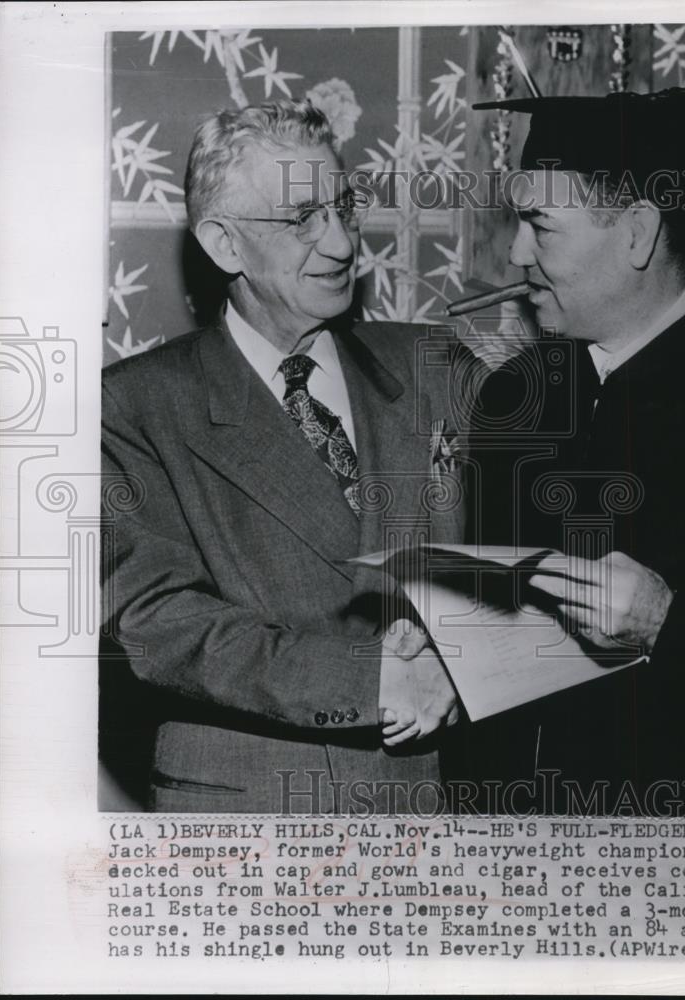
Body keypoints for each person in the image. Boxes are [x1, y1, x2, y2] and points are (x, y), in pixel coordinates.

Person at [100, 101, 467, 814]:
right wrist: (374, 678)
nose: (339, 245)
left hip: (438, 815)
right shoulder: (135, 408)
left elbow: (526, 554)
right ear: (223, 245)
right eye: (301, 219)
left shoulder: (437, 368)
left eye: (342, 207)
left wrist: (464, 653)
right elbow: (159, 622)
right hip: (251, 826)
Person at [460, 87, 685, 815]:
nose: (514, 252)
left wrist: (670, 622)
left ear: (636, 233)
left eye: (540, 226)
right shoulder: (514, 397)